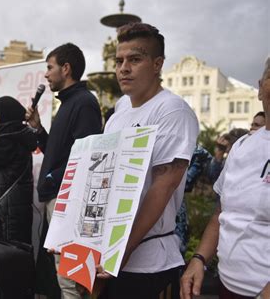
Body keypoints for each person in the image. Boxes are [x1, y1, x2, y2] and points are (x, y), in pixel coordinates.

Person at [97, 22, 199, 298]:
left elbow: (163, 187)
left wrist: (121, 250)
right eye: (119, 61)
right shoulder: (119, 112)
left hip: (148, 262)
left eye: (135, 59)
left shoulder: (172, 110)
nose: (123, 68)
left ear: (157, 64)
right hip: (108, 254)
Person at [180, 57, 270, 299]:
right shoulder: (242, 146)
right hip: (228, 285)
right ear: (260, 88)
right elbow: (222, 213)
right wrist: (199, 259)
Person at [25, 43, 102, 298]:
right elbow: (58, 153)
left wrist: (51, 177)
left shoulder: (84, 103)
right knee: (62, 274)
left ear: (66, 69)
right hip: (57, 196)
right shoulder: (69, 103)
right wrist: (38, 129)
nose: (46, 75)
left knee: (69, 277)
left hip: (67, 199)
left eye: (50, 67)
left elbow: (86, 155)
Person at [0, 96, 37, 244]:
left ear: (4, 115)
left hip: (7, 212)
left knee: (6, 256)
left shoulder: (7, 139)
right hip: (11, 209)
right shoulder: (15, 135)